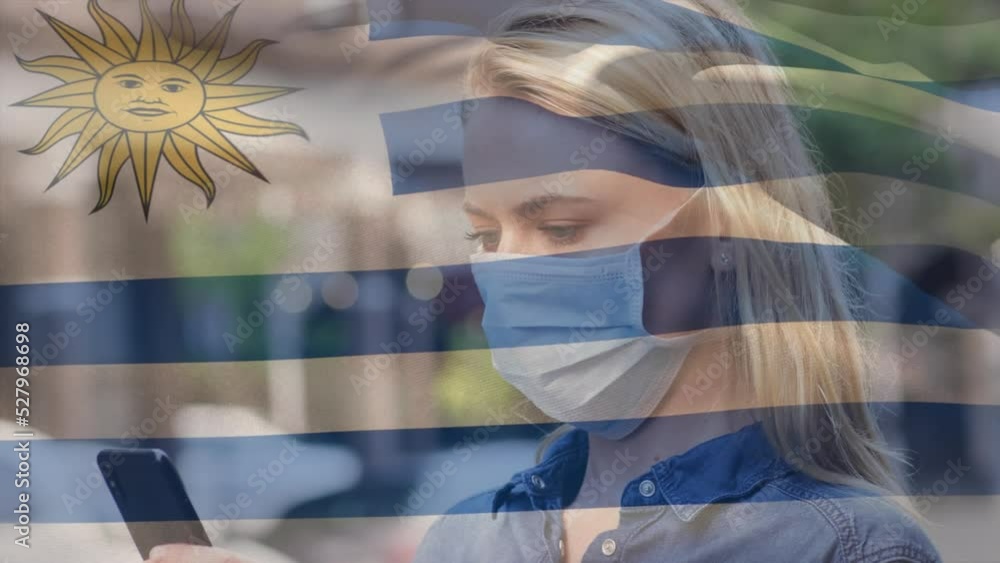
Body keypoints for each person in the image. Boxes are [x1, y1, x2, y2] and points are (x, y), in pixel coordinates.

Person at [149, 0, 942, 561]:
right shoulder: (467, 540)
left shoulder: (841, 545)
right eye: (485, 234)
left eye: (562, 226)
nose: (512, 270)